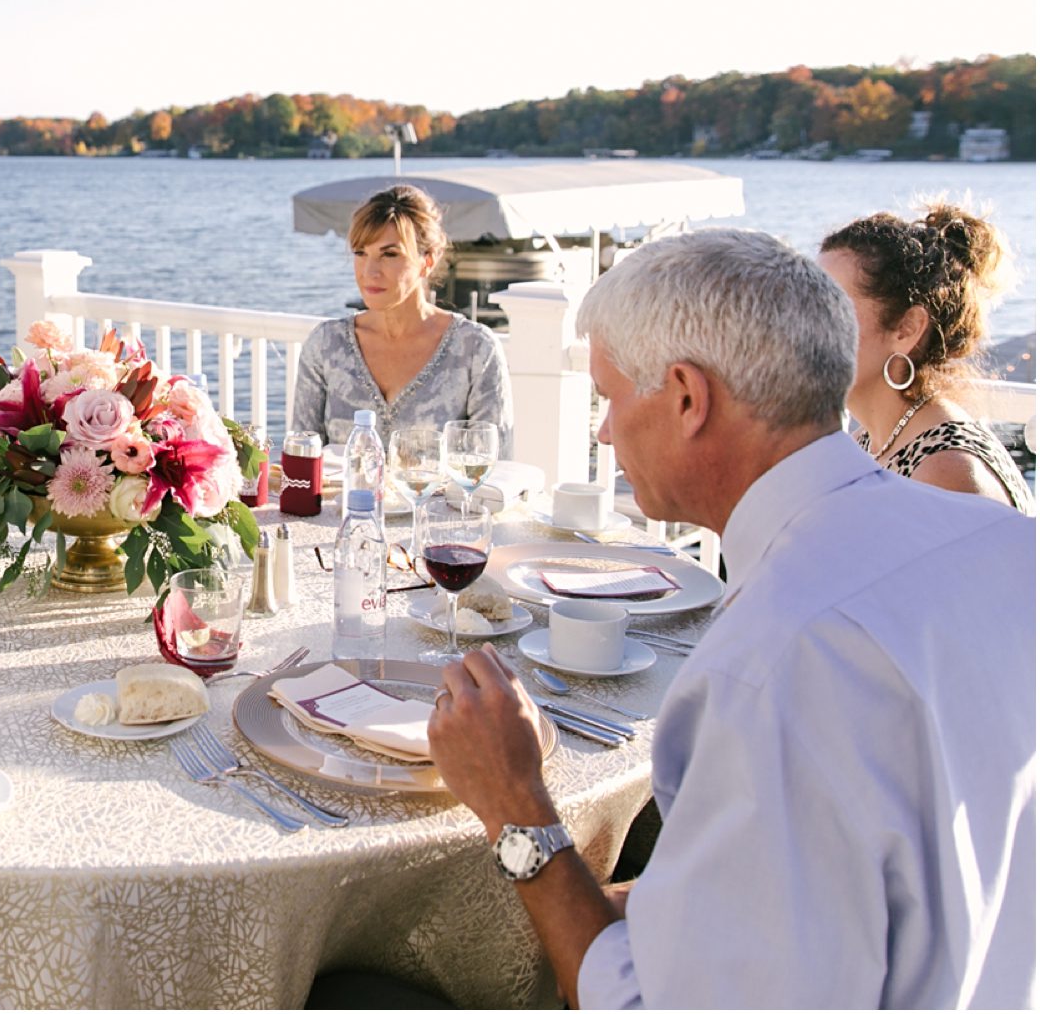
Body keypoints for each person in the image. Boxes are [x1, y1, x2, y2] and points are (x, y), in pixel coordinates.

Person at [421, 229, 1033, 1008]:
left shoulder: (771, 666)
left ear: (686, 397)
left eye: (610, 398)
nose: (604, 431)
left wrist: (518, 807)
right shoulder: (1012, 545)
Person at [818, 202, 1031, 513]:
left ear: (907, 329)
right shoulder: (872, 442)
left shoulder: (947, 472)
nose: (804, 323)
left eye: (830, 307)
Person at [288, 183, 511, 446]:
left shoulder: (475, 350)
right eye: (361, 253)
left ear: (428, 259)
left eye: (389, 254)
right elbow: (300, 459)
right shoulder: (326, 345)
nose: (369, 271)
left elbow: (494, 470)